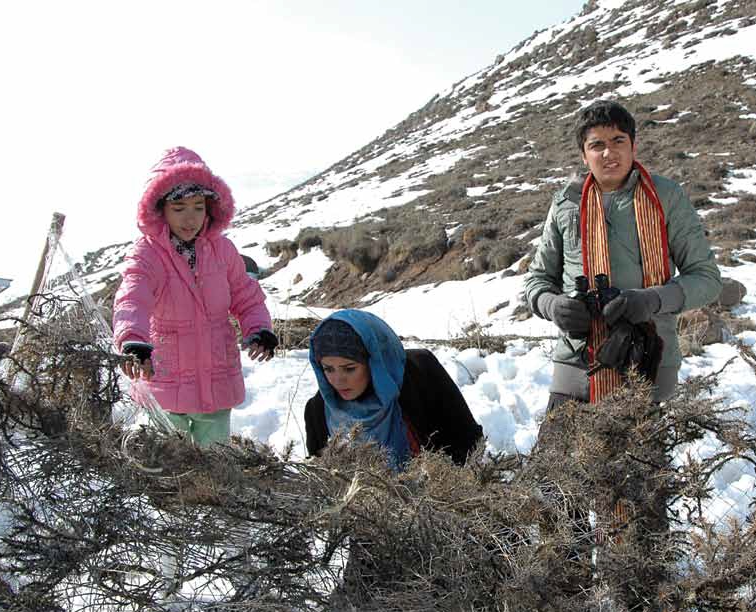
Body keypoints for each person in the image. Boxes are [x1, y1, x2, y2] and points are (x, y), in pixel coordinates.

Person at [524, 100, 721, 410]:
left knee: (636, 459)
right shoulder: (565, 203)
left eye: (618, 141)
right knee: (555, 457)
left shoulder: (666, 197)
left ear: (633, 145)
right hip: (576, 365)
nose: (608, 152)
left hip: (649, 365)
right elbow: (537, 280)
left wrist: (651, 300)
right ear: (584, 154)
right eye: (597, 145)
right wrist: (553, 306)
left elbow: (707, 279)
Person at [113, 146, 278, 446]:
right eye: (179, 208)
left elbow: (247, 297)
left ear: (210, 208)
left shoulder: (223, 251)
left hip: (216, 381)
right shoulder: (147, 254)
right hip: (163, 382)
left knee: (214, 469)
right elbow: (132, 298)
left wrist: (259, 329)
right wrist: (133, 339)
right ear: (160, 208)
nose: (190, 218)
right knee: (166, 469)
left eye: (198, 207)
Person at [304, 309, 481, 468]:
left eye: (349, 368)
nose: (338, 380)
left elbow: (468, 443)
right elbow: (322, 475)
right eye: (328, 369)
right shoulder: (318, 411)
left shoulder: (420, 375)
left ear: (375, 362)